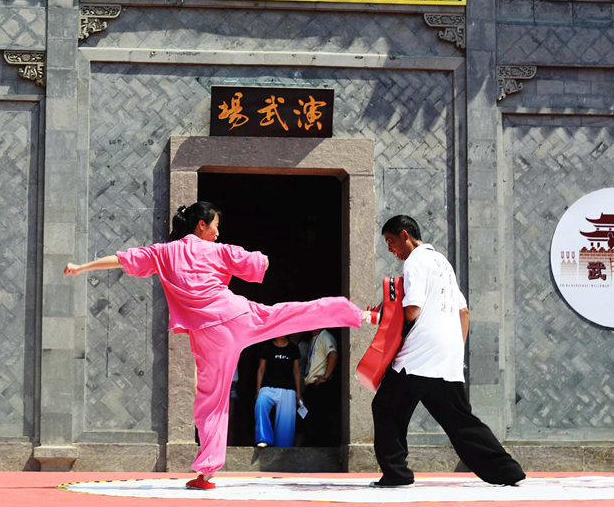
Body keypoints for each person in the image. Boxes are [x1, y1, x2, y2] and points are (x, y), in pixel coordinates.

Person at [64, 201, 371, 490]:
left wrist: (80, 267)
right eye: (215, 226)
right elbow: (258, 263)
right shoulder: (217, 250)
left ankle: (207, 471)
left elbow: (122, 259)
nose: (217, 232)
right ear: (201, 225)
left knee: (210, 399)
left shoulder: (163, 252)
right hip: (235, 317)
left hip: (207, 336)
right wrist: (268, 253)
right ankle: (357, 314)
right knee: (290, 315)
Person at [370, 215, 525, 487]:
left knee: (385, 407)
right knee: (460, 420)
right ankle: (508, 470)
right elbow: (463, 312)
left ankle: (396, 473)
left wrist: (383, 314)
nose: (390, 249)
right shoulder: (442, 262)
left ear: (405, 235)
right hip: (448, 356)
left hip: (418, 356)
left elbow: (412, 310)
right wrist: (455, 352)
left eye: (391, 241)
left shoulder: (415, 261)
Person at [253, 335, 301, 448]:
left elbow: (296, 371)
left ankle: (282, 449)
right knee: (260, 403)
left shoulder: (293, 348)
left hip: (288, 389)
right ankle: (263, 438)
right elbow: (261, 369)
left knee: (286, 423)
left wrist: (298, 393)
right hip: (268, 387)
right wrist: (258, 391)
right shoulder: (266, 347)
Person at [301, 327, 341, 446]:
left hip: (320, 385)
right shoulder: (313, 340)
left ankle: (321, 446)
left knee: (319, 419)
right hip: (310, 384)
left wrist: (325, 377)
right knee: (311, 420)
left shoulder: (325, 336)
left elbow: (333, 355)